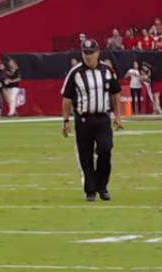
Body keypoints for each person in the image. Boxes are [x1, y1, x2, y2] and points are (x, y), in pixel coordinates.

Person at [61, 39, 123, 202]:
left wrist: (118, 115)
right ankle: (90, 191)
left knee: (105, 148)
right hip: (83, 119)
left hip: (102, 117)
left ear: (98, 53)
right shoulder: (75, 73)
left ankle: (102, 186)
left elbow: (116, 92)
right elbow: (67, 98)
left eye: (91, 53)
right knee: (85, 156)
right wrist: (66, 120)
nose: (88, 57)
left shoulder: (107, 71)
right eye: (85, 53)